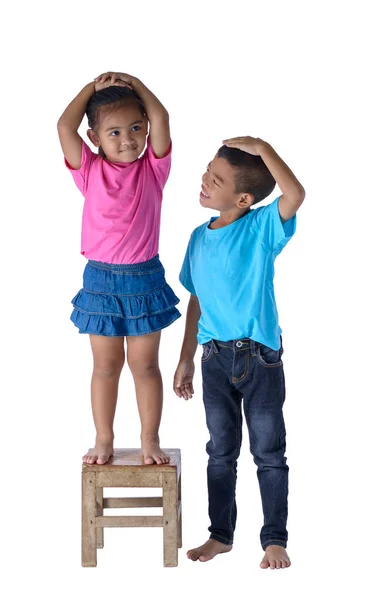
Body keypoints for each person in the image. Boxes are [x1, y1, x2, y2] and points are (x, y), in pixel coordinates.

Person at [174, 136, 305, 568]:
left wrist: (264, 148)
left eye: (216, 179)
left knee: (268, 452)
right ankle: (221, 536)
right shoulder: (197, 238)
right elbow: (197, 299)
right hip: (213, 358)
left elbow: (296, 194)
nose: (204, 181)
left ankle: (274, 540)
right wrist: (186, 357)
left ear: (244, 198)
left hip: (260, 359)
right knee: (220, 453)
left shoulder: (262, 227)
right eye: (207, 172)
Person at [57, 71, 180, 466]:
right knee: (106, 366)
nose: (127, 139)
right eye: (113, 132)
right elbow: (63, 125)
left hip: (144, 278)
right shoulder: (89, 170)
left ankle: (150, 439)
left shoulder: (153, 170)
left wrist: (137, 84)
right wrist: (91, 90)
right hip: (101, 280)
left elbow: (161, 118)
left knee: (145, 366)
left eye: (135, 128)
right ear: (94, 138)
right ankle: (103, 438)